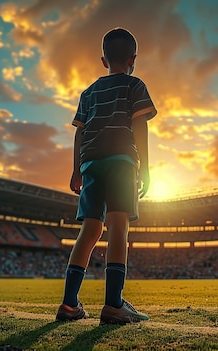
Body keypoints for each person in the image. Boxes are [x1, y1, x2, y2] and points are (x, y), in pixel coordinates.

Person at [55, 27, 157, 325]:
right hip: (121, 161)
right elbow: (140, 127)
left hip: (90, 164)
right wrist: (146, 168)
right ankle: (114, 304)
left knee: (89, 231)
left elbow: (80, 132)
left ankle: (69, 304)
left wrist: (76, 170)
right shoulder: (135, 85)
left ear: (103, 60)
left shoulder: (89, 93)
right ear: (133, 58)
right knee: (118, 228)